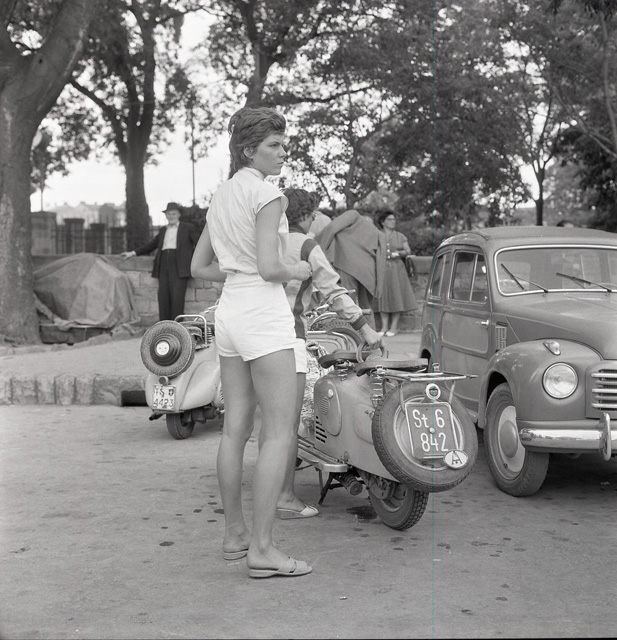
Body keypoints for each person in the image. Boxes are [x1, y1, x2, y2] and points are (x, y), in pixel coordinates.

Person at [190, 106, 313, 579]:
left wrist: (238, 272)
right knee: (278, 432)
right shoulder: (268, 195)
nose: (283, 153)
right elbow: (270, 268)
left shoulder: (221, 195)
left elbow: (200, 267)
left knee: (234, 430)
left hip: (230, 312)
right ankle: (263, 550)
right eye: (274, 146)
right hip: (262, 312)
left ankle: (235, 536)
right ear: (248, 150)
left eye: (283, 145)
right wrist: (299, 267)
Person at [276, 187, 383, 518]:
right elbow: (334, 292)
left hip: (250, 335)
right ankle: (284, 496)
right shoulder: (306, 246)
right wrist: (365, 329)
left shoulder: (263, 240)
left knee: (258, 421)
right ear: (306, 216)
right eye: (313, 215)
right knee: (290, 420)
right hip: (287, 336)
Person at [121, 203, 200, 321]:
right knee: (163, 297)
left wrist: (194, 258)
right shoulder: (163, 230)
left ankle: (176, 326)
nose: (171, 216)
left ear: (179, 215)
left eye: (173, 214)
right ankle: (164, 326)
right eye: (169, 214)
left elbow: (199, 243)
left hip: (179, 266)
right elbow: (151, 245)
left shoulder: (188, 228)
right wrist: (133, 253)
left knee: (177, 297)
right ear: (166, 215)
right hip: (163, 264)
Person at [318, 208, 387, 329]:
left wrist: (320, 251)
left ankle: (349, 337)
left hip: (348, 266)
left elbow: (331, 228)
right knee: (366, 309)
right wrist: (379, 287)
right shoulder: (379, 233)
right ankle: (372, 339)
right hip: (369, 273)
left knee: (347, 307)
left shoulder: (353, 214)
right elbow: (381, 260)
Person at [374, 210, 418, 337]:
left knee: (396, 296)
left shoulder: (400, 236)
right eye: (390, 219)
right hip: (382, 268)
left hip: (397, 269)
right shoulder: (377, 235)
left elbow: (408, 250)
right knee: (382, 296)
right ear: (383, 222)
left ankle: (394, 327)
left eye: (394, 219)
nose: (393, 221)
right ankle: (384, 327)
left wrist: (399, 253)